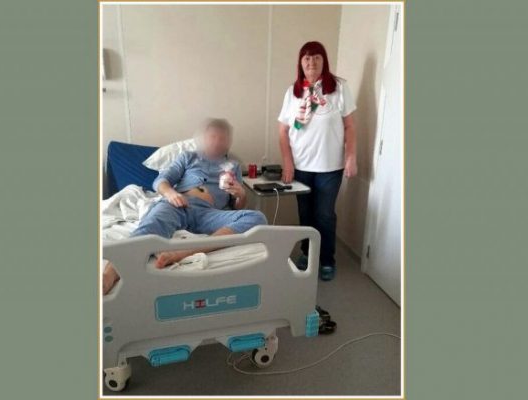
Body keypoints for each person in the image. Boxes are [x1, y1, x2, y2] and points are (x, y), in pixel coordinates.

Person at [102, 118, 267, 294]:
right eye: (213, 137)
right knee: (152, 224)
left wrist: (241, 194)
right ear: (203, 138)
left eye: (222, 138)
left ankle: (186, 251)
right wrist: (171, 194)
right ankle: (109, 274)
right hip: (179, 204)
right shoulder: (188, 157)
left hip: (209, 214)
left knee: (257, 217)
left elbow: (237, 208)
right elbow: (161, 181)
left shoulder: (233, 166)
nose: (217, 142)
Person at [277, 41, 357, 281]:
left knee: (324, 215)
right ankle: (307, 253)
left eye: (316, 57)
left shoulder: (339, 88)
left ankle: (326, 260)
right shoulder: (293, 92)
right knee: (305, 214)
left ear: (324, 61)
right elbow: (283, 131)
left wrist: (351, 157)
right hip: (301, 166)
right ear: (300, 63)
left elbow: (350, 126)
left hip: (330, 166)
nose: (311, 62)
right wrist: (288, 163)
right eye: (307, 58)